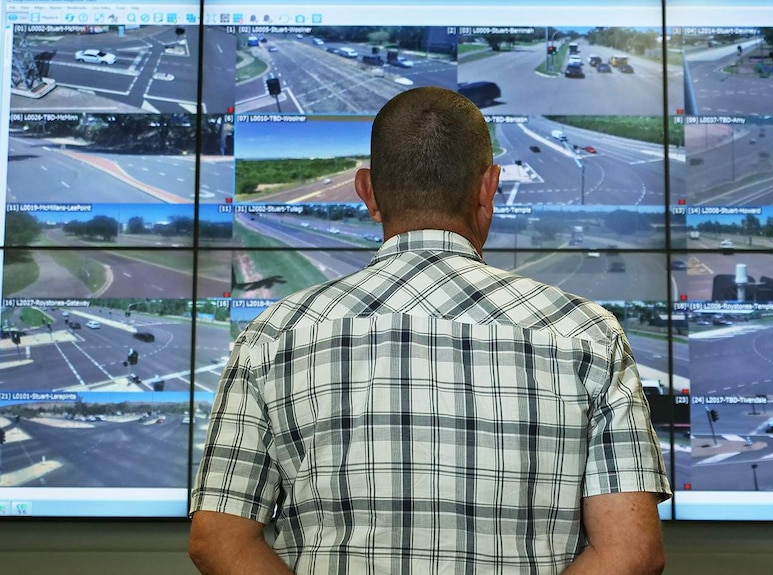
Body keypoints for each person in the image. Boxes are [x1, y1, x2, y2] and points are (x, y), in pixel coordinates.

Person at [189, 86, 672, 574]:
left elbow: (218, 542)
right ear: (489, 188)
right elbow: (630, 553)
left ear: (367, 191)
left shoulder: (272, 335)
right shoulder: (587, 332)